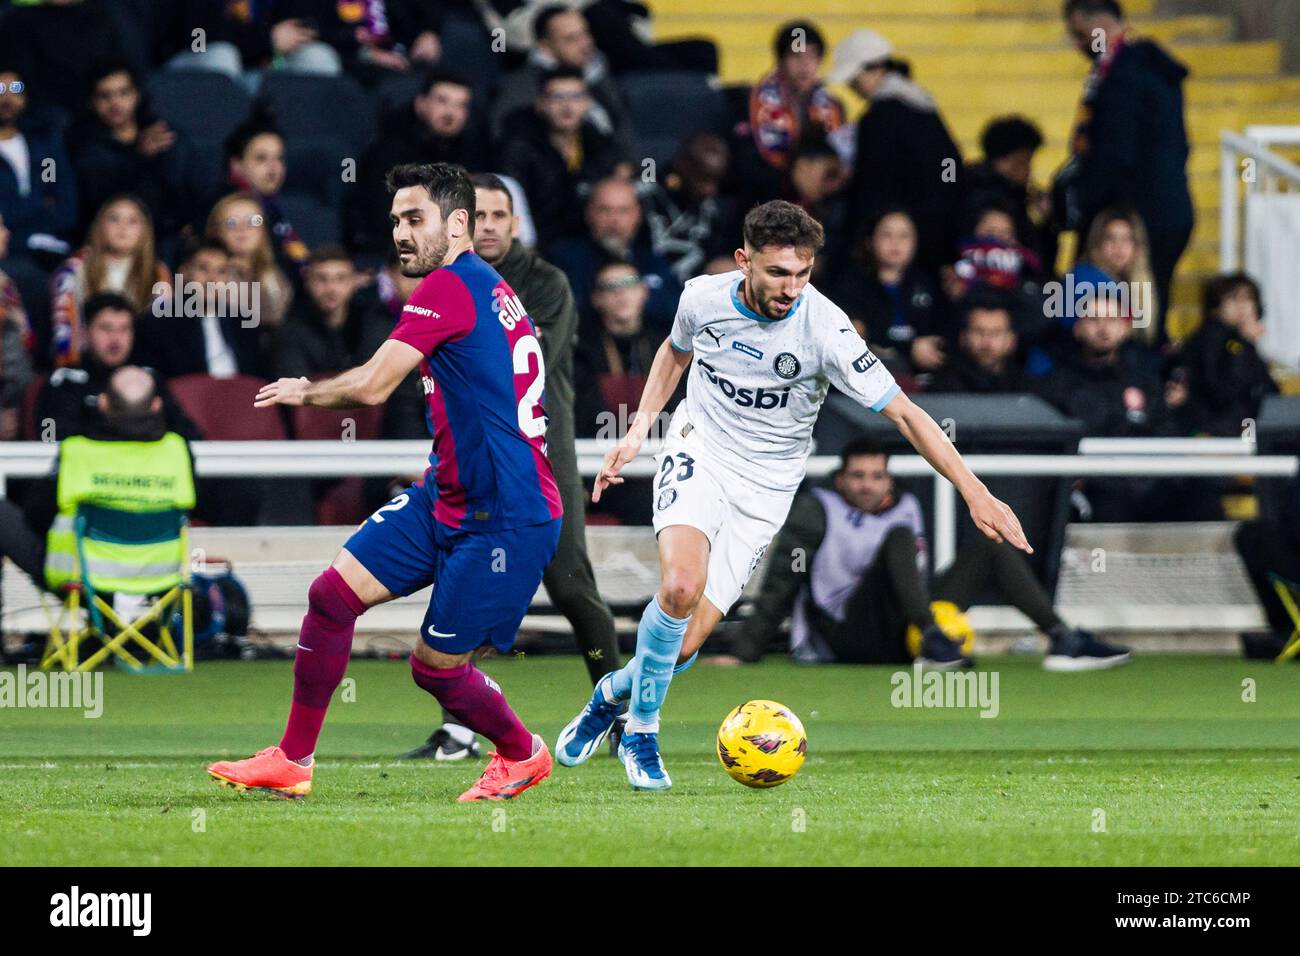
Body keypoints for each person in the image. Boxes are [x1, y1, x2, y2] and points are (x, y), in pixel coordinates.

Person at [553, 200, 1030, 790]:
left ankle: (611, 694)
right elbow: (675, 353)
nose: (791, 287)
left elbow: (905, 414)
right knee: (679, 587)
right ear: (743, 261)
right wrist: (637, 430)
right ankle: (642, 732)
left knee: (679, 647)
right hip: (698, 449)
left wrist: (973, 491)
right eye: (778, 273)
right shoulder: (701, 297)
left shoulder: (826, 329)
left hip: (767, 487)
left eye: (803, 274)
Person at [206, 162, 562, 802]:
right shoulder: (484, 284)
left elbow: (373, 384)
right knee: (331, 598)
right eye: (396, 219)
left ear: (458, 225)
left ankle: (522, 752)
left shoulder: (449, 287)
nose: (400, 232)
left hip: (506, 515)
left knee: (435, 672)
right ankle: (293, 759)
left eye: (415, 219)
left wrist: (305, 390)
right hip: (447, 497)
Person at [402, 172, 623, 761]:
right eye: (482, 215)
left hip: (545, 457)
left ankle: (625, 716)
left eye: (501, 215)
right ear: (463, 222)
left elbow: (521, 367)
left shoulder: (544, 284)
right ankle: (457, 733)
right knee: (468, 585)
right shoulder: (450, 280)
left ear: (516, 224)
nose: (490, 225)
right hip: (479, 462)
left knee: (573, 587)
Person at [732, 438, 1129, 669]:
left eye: (876, 476)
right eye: (857, 476)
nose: (867, 486)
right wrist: (745, 651)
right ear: (840, 480)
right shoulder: (817, 508)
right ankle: (934, 641)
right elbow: (782, 580)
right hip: (848, 630)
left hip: (906, 622)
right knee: (899, 537)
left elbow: (914, 575)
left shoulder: (905, 504)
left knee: (986, 550)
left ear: (888, 479)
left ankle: (1061, 638)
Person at [0, 366, 196, 611]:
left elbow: (37, 516)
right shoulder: (178, 451)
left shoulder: (77, 451)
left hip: (81, 582)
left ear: (102, 403)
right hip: (160, 581)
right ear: (156, 406)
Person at [1057, 0, 1193, 344]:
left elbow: (1116, 155)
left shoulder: (1123, 73)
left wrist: (1083, 205)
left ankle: (1139, 382)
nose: (1076, 44)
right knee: (1149, 302)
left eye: (1077, 33)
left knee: (1140, 311)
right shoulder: (1147, 65)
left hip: (1147, 210)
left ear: (1085, 22)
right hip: (1170, 208)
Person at [829, 29, 963, 278]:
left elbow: (873, 191)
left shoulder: (879, 119)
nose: (852, 87)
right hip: (933, 244)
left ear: (874, 70)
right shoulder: (925, 109)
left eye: (854, 79)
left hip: (893, 252)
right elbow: (951, 172)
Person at [348, 67, 486, 259]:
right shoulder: (389, 151)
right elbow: (381, 215)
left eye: (460, 105)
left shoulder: (473, 150)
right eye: (442, 101)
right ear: (420, 104)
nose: (451, 113)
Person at [37, 292, 198, 443]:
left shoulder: (148, 378)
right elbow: (48, 437)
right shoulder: (64, 379)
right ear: (85, 333)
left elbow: (189, 434)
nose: (115, 339)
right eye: (106, 328)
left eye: (124, 329)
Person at [497, 66, 629, 250]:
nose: (567, 106)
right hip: (539, 246)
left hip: (592, 244)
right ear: (541, 104)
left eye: (576, 97)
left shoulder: (599, 143)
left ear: (588, 103)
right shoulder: (518, 147)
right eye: (558, 97)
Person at [68, 59, 197, 241]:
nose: (115, 103)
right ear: (92, 101)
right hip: (110, 240)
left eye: (123, 93)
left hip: (167, 236)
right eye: (105, 96)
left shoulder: (163, 134)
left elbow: (187, 188)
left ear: (137, 95)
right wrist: (140, 157)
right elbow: (100, 200)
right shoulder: (83, 145)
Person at [491, 4, 635, 160]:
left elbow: (623, 129)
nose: (585, 44)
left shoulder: (599, 76)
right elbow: (505, 139)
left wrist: (627, 165)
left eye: (585, 33)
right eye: (571, 39)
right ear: (545, 46)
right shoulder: (520, 86)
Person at [50, 194, 171, 367]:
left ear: (145, 230)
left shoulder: (158, 273)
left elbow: (160, 332)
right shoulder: (71, 270)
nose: (123, 227)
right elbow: (65, 333)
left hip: (140, 364)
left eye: (132, 221)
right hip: (85, 363)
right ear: (100, 225)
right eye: (114, 219)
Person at [828, 207, 947, 381]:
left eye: (904, 236)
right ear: (870, 241)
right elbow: (856, 335)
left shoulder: (927, 284)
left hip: (922, 376)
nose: (895, 243)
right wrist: (909, 348)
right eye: (887, 235)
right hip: (868, 373)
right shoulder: (852, 284)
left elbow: (939, 329)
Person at [549, 176, 682, 330]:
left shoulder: (653, 259)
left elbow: (676, 310)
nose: (614, 220)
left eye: (623, 211)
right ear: (589, 213)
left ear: (637, 215)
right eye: (605, 210)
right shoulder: (565, 258)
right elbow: (567, 312)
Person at [134, 238, 263, 379]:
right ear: (184, 272)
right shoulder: (159, 322)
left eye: (221, 271)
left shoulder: (244, 323)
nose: (212, 279)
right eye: (203, 268)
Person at [1173, 273, 1277, 438]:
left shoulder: (1240, 342)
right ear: (1216, 306)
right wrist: (1244, 345)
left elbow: (1268, 392)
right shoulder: (1210, 338)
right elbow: (1221, 391)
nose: (1242, 306)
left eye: (1248, 298)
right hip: (1212, 434)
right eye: (1234, 299)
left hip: (1241, 432)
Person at [272, 245, 391, 379]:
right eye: (321, 279)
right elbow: (293, 388)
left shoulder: (374, 325)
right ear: (308, 282)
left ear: (354, 281)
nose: (331, 288)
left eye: (341, 278)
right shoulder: (290, 332)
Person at [0, 63, 78, 260]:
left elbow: (57, 194)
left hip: (48, 249)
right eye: (0, 89)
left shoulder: (43, 147)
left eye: (15, 89)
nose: (7, 98)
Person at [643, 133, 739, 286]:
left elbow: (717, 257)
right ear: (683, 165)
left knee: (730, 272)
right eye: (704, 179)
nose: (710, 189)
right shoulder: (646, 197)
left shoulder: (715, 210)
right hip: (643, 279)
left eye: (716, 180)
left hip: (694, 286)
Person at [963, 116, 1051, 263]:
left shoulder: (1011, 195)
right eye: (1025, 162)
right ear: (1009, 161)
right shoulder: (999, 200)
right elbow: (1035, 262)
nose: (1028, 172)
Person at [204, 192, 294, 331]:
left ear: (264, 230)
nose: (242, 229)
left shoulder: (280, 272)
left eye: (253, 221)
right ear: (216, 231)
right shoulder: (208, 275)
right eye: (231, 222)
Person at [929, 296, 1027, 394]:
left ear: (1011, 340)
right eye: (978, 331)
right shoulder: (942, 389)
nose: (986, 342)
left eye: (995, 333)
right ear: (963, 337)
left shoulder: (1028, 390)